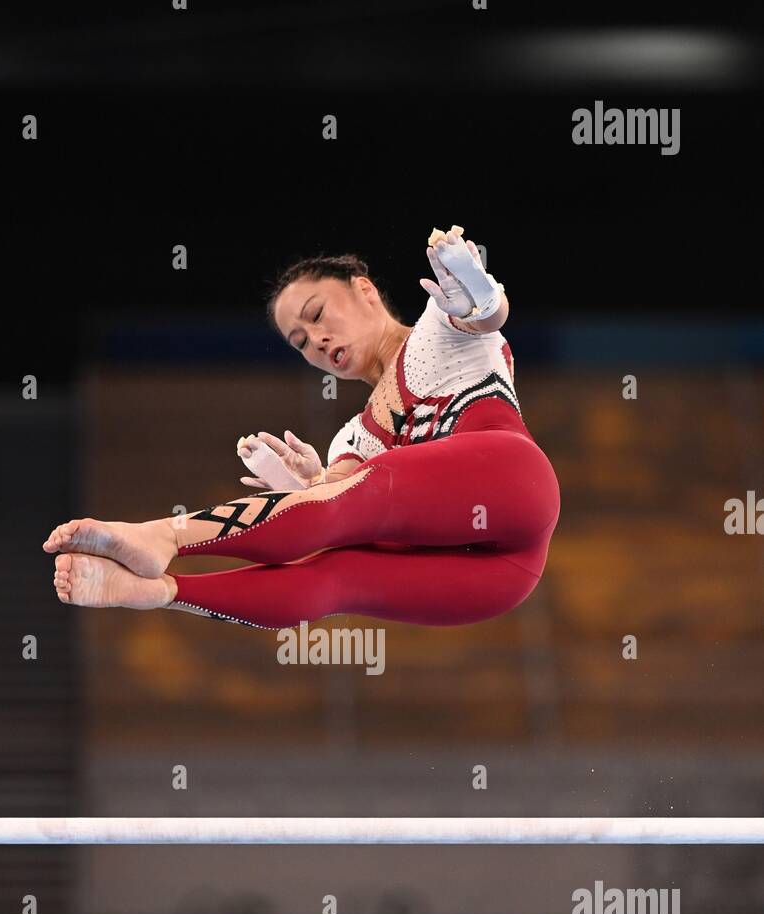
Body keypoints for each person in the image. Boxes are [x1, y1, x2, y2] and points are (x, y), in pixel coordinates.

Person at [44, 224, 560, 629]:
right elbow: (340, 511)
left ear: (364, 290)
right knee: (339, 575)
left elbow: (485, 315)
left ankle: (164, 535)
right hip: (494, 578)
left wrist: (477, 287)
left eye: (317, 314)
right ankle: (163, 593)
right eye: (299, 341)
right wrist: (307, 486)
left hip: (516, 488)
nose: (315, 340)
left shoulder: (438, 328)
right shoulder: (351, 440)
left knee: (357, 494)